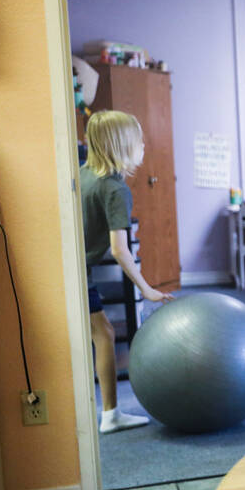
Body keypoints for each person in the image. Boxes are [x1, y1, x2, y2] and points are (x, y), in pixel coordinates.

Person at [79, 111, 174, 433]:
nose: (144, 145)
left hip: (75, 270)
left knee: (99, 332)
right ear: (121, 146)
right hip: (79, 273)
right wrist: (146, 288)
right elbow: (120, 249)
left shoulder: (85, 174)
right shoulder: (115, 189)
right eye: (139, 140)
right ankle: (110, 414)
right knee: (103, 334)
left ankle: (109, 412)